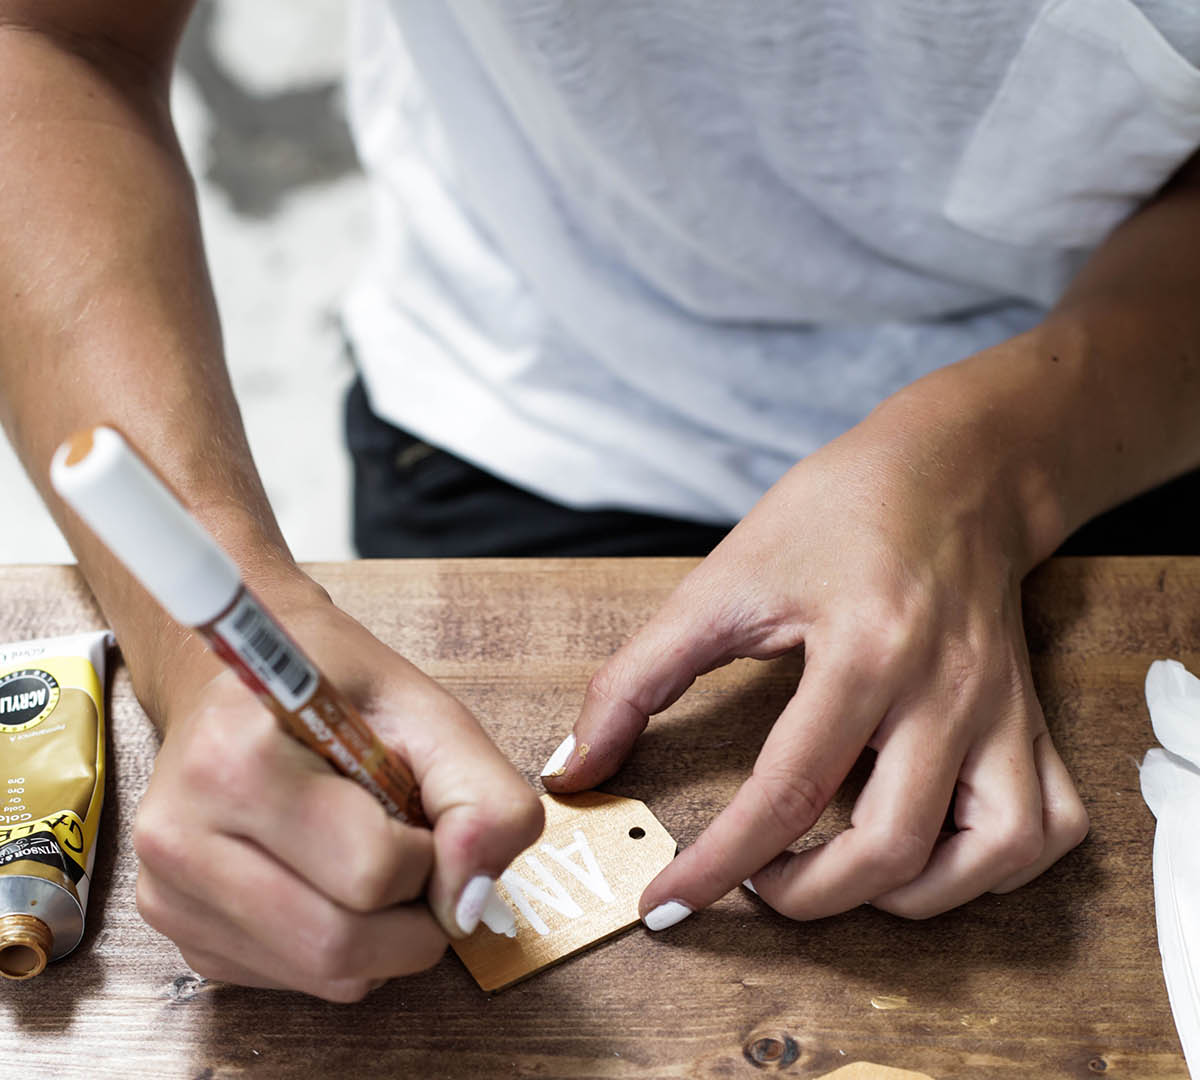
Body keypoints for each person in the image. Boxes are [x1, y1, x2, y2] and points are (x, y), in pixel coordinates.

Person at [2, 1, 1198, 1000]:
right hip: (531, 391)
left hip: (1123, 403)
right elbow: (52, 40)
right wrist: (210, 636)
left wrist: (994, 468)